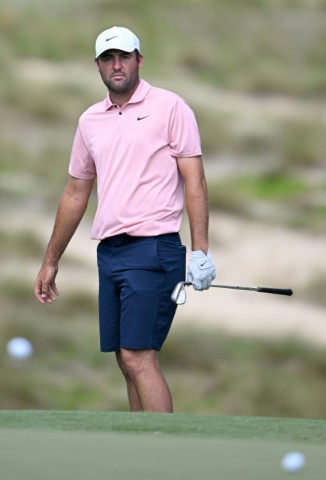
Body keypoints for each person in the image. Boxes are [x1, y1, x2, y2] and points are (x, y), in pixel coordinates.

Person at [34, 26, 216, 413]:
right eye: (108, 58)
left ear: (139, 60)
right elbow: (75, 192)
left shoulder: (170, 107)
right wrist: (51, 261)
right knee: (125, 359)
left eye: (124, 57)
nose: (117, 65)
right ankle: (140, 451)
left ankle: (163, 456)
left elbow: (195, 180)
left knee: (138, 357)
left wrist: (201, 252)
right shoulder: (90, 121)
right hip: (110, 253)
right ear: (97, 66)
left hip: (153, 249)